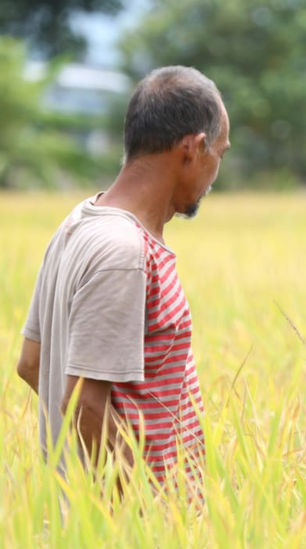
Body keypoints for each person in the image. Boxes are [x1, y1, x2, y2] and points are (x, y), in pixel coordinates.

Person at [16, 66, 230, 493]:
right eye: (219, 154)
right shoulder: (125, 252)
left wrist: (70, 475)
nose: (214, 174)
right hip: (128, 537)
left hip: (83, 524)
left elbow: (32, 363)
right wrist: (142, 510)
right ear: (193, 148)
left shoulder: (78, 222)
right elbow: (83, 406)